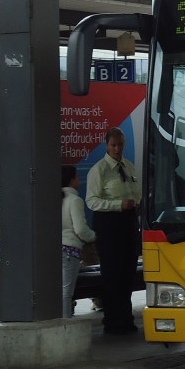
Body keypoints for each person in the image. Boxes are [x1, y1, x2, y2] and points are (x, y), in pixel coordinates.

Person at [85, 127, 141, 335]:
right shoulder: (99, 170)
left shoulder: (129, 167)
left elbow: (136, 191)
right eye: (113, 145)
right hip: (109, 223)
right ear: (106, 146)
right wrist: (118, 205)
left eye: (120, 145)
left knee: (128, 270)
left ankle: (125, 318)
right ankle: (113, 320)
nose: (117, 149)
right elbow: (91, 201)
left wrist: (137, 204)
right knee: (112, 272)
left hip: (128, 221)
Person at [60, 165, 95, 319]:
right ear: (72, 179)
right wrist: (94, 236)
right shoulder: (74, 200)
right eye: (76, 177)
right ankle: (65, 324)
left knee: (59, 290)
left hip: (57, 249)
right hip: (70, 251)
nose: (78, 180)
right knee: (67, 292)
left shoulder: (56, 198)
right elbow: (80, 229)